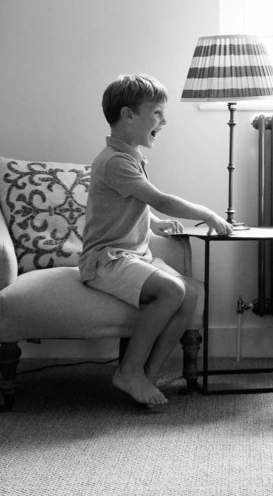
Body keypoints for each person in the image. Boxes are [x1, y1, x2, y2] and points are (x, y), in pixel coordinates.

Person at [80, 73, 234, 406]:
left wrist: (155, 225)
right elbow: (158, 198)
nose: (163, 121)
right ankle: (129, 370)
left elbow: (130, 203)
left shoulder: (130, 157)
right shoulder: (114, 161)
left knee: (190, 293)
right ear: (128, 115)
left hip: (133, 255)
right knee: (172, 289)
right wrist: (206, 213)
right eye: (157, 113)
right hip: (106, 260)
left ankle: (147, 375)